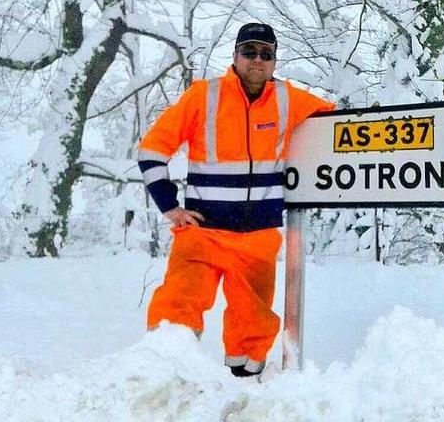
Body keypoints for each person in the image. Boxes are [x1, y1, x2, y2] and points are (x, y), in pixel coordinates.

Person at [137, 23, 334, 377]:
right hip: (202, 233)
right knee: (176, 309)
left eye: (266, 54)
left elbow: (340, 125)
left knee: (253, 329)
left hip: (258, 238)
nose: (257, 60)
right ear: (235, 56)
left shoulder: (290, 99)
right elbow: (151, 149)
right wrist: (169, 206)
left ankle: (245, 393)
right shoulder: (203, 96)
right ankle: (159, 380)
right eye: (249, 52)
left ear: (274, 61)